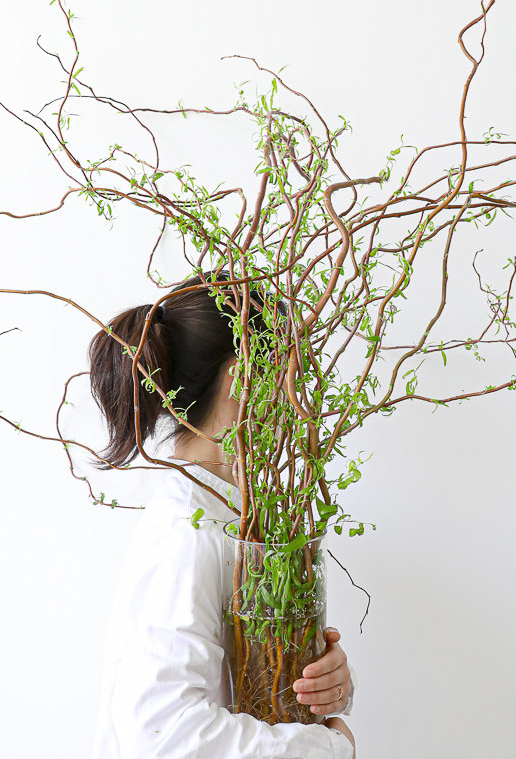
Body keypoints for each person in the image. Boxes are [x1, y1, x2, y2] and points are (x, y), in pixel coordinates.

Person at [87, 273, 356, 758]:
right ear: (242, 377)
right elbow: (164, 734)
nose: (296, 397)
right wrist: (327, 749)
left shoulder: (231, 516)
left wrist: (319, 683)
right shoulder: (191, 533)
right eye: (285, 370)